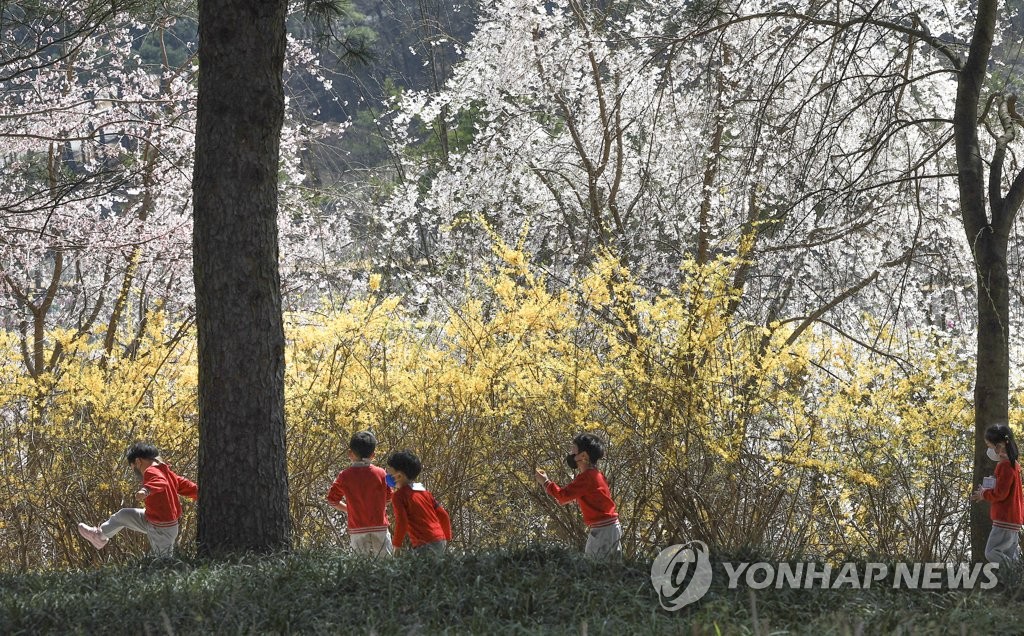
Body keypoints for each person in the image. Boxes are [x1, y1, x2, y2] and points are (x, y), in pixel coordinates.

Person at [77, 442, 198, 558]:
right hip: (151, 519)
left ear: (138, 461)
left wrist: (146, 490)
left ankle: (169, 576)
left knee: (163, 561)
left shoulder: (151, 471)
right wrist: (198, 492)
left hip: (162, 529)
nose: (135, 471)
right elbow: (184, 485)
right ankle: (99, 536)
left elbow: (160, 482)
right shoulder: (166, 471)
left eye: (133, 467)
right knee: (124, 515)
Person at [534, 432, 621, 559]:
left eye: (573, 450)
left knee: (597, 570)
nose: (571, 454)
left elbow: (563, 496)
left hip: (603, 531)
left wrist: (546, 482)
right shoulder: (596, 475)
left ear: (584, 456)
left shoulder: (587, 478)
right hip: (609, 528)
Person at [326, 430, 394, 556]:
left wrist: (348, 509)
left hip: (357, 528)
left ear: (350, 454)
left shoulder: (344, 476)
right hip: (380, 526)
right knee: (386, 562)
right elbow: (390, 497)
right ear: (373, 455)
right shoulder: (381, 474)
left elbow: (332, 500)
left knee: (359, 565)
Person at [972, 423, 1023, 565]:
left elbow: (1000, 494)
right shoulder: (1014, 465)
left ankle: (1016, 571)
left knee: (991, 552)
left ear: (999, 446)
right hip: (1013, 519)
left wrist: (984, 494)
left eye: (989, 446)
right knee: (1010, 554)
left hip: (1004, 519)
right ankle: (1015, 582)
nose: (989, 450)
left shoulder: (1005, 465)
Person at [386, 450, 451, 554]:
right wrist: (447, 538)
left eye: (390, 472)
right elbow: (444, 515)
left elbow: (402, 522)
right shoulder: (425, 493)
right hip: (440, 539)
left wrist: (396, 545)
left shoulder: (399, 496)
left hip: (424, 544)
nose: (387, 474)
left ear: (399, 476)